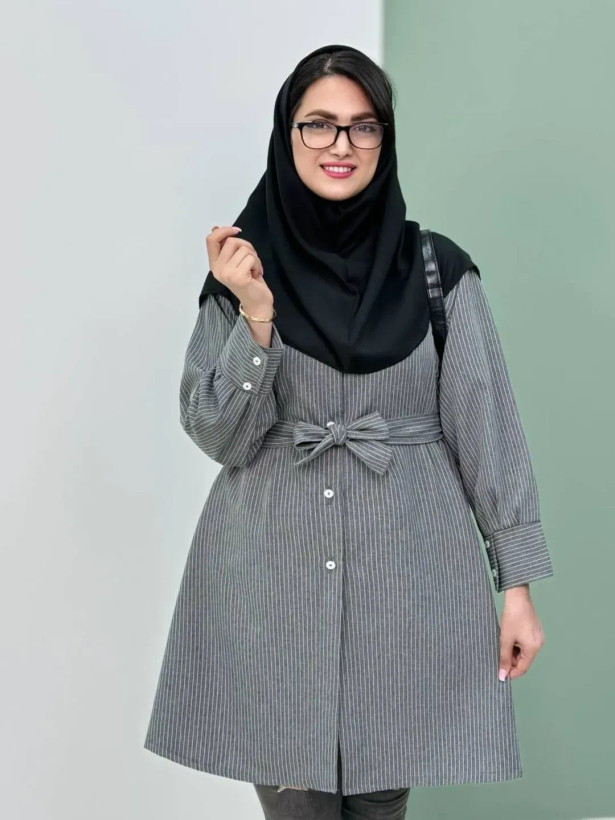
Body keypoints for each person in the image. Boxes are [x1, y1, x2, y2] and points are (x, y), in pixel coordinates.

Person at [143, 44, 554, 819]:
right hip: (272, 591)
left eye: (363, 127)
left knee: (379, 804)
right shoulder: (239, 273)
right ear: (287, 133)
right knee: (297, 806)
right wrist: (256, 319)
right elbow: (219, 437)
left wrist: (517, 587)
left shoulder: (438, 272)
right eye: (319, 124)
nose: (341, 145)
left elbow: (489, 433)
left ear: (384, 139)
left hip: (407, 590)